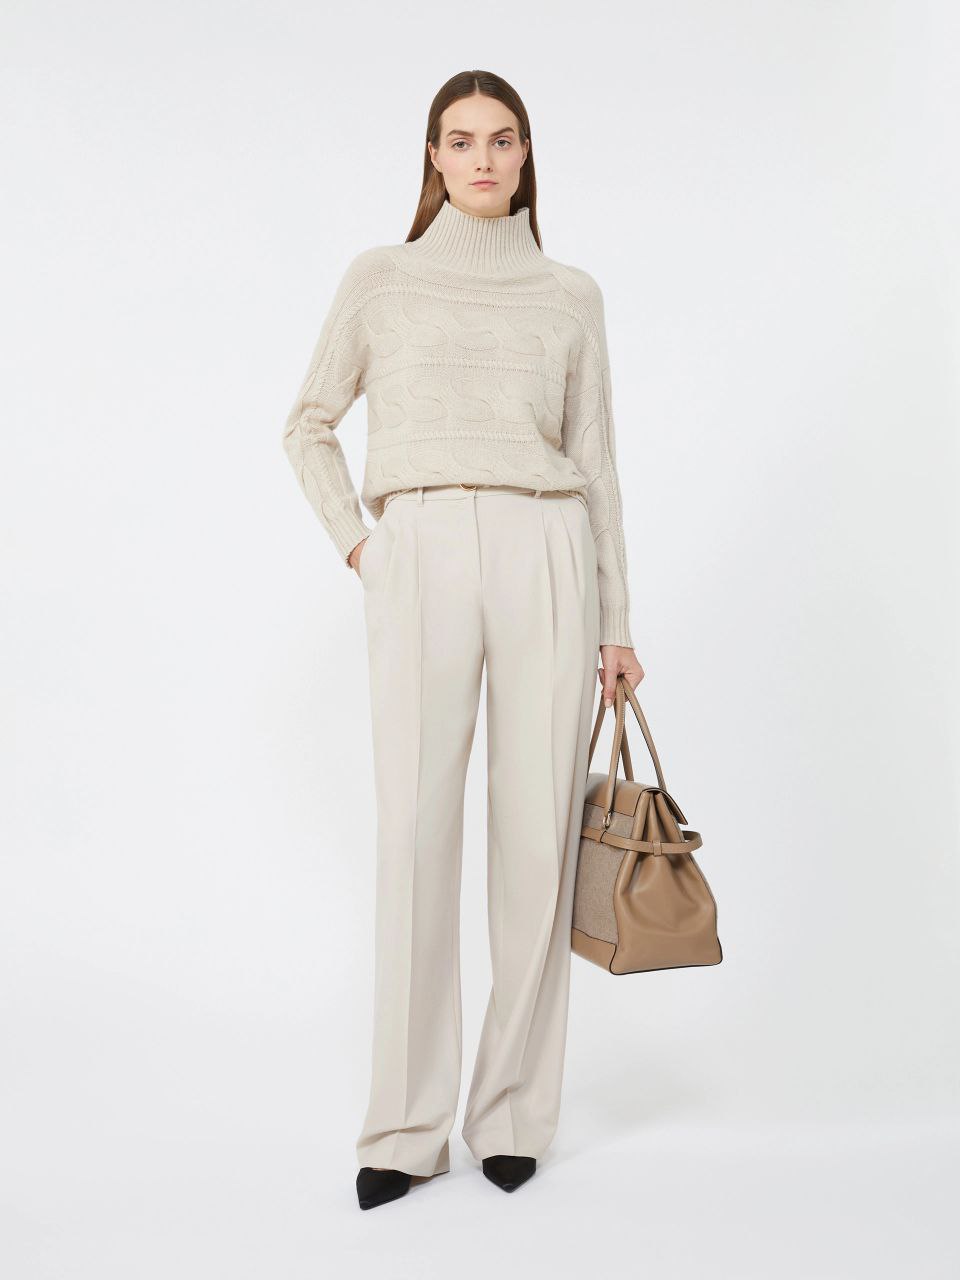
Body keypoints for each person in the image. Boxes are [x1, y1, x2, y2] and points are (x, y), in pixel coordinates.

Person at [281, 70, 644, 1210]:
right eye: (461, 140)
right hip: (421, 543)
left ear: (526, 155)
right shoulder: (381, 279)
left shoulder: (570, 295)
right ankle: (403, 1125)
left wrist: (618, 621)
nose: (483, 158)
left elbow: (597, 466)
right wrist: (363, 544)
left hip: (547, 544)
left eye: (502, 139)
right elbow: (308, 423)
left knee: (537, 836)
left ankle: (514, 1114)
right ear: (433, 158)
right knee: (414, 831)